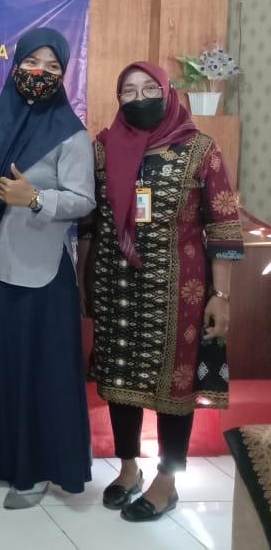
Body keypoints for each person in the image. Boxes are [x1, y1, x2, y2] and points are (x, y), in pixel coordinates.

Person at [81, 62, 242, 522]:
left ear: (168, 93)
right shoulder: (103, 148)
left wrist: (221, 296)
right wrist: (84, 280)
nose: (139, 98)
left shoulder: (200, 149)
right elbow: (90, 224)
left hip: (179, 290)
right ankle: (128, 468)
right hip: (115, 284)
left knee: (176, 384)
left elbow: (223, 225)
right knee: (120, 380)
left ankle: (167, 480)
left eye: (149, 88)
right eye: (128, 91)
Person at [0, 27, 94, 509]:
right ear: (15, 64)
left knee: (39, 373)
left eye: (53, 66)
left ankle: (35, 469)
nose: (41, 72)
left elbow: (83, 200)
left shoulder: (69, 132)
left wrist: (35, 197)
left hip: (41, 273)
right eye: (32, 62)